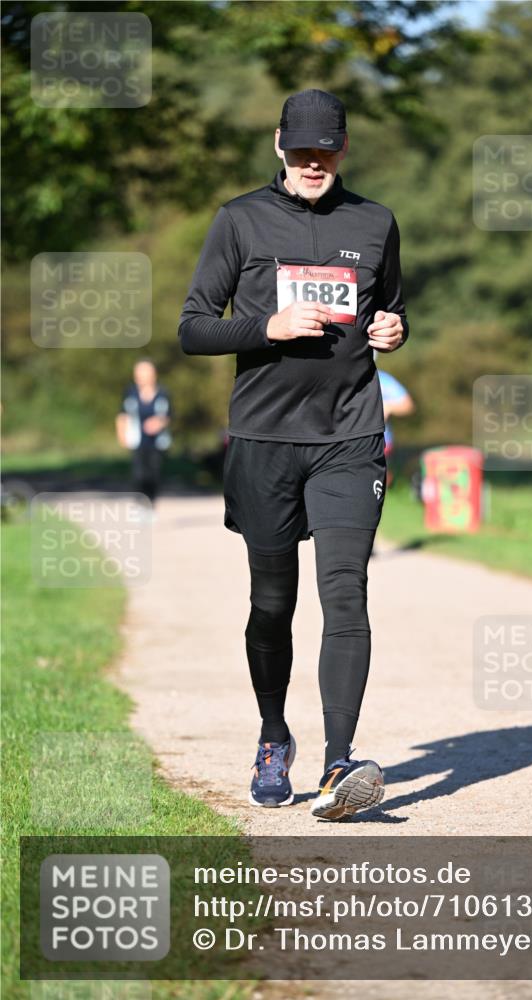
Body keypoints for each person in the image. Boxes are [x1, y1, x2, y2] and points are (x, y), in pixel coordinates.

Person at [178, 89, 409, 821]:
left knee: (345, 591)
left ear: (343, 149)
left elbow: (392, 309)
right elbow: (192, 328)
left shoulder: (375, 222)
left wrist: (395, 330)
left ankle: (339, 765)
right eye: (302, 150)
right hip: (264, 439)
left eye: (325, 152)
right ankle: (274, 736)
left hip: (349, 436)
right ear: (279, 144)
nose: (313, 163)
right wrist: (267, 327)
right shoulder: (239, 219)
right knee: (272, 603)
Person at [116, 360, 172, 506]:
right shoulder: (130, 393)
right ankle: (141, 502)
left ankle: (151, 501)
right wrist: (121, 434)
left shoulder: (163, 393)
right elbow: (122, 415)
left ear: (153, 375)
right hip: (137, 441)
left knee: (153, 474)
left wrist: (158, 423)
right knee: (139, 474)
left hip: (157, 442)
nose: (140, 377)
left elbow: (169, 416)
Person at [377, 367, 415, 487]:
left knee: (380, 479)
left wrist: (388, 406)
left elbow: (407, 405)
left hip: (381, 441)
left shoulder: (382, 379)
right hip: (348, 439)